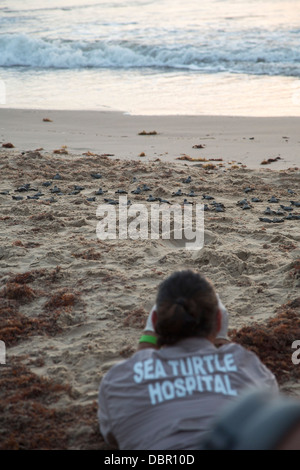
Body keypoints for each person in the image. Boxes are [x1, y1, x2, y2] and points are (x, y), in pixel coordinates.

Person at [98, 270, 278, 450]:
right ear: (219, 320)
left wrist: (149, 336)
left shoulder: (117, 381)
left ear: (154, 320)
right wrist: (221, 339)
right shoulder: (249, 367)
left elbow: (114, 438)